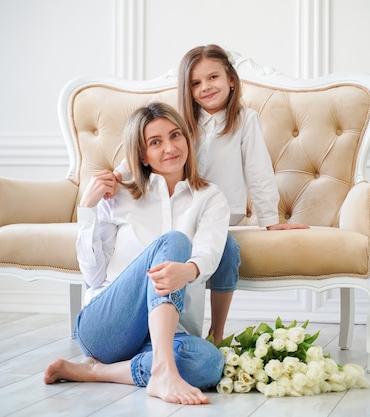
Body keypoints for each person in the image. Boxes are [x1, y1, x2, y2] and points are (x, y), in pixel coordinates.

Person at [113, 44, 309, 344]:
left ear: (231, 78)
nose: (206, 87)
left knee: (227, 251)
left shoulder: (246, 121)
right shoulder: (179, 122)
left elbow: (259, 173)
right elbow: (137, 154)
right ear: (188, 90)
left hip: (222, 216)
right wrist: (115, 178)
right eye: (195, 83)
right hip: (180, 211)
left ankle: (216, 332)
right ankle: (155, 331)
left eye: (213, 77)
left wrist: (270, 220)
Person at [44, 102, 229, 405]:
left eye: (175, 136)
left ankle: (100, 373)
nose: (170, 147)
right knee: (175, 241)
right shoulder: (117, 194)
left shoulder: (210, 197)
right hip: (106, 327)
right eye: (155, 142)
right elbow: (93, 276)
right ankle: (163, 370)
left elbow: (210, 248)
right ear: (141, 154)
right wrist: (87, 209)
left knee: (208, 365)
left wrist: (190, 270)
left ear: (186, 138)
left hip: (171, 334)